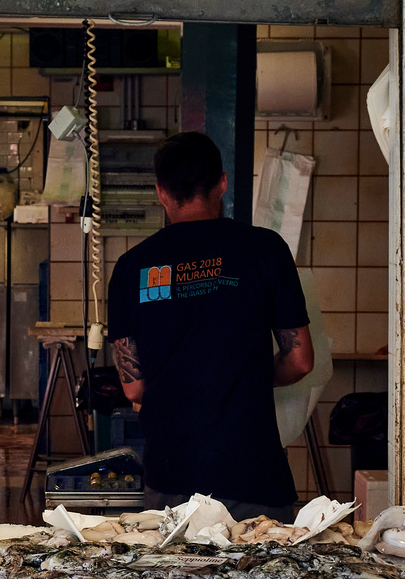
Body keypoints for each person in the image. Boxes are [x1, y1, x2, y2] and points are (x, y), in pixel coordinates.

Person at [106, 131, 314, 521]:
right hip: (254, 477)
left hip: (172, 477)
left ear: (161, 192)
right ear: (221, 183)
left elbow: (133, 385)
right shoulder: (266, 250)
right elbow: (300, 361)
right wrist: (244, 375)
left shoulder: (131, 266)